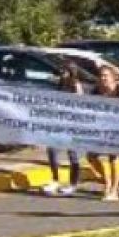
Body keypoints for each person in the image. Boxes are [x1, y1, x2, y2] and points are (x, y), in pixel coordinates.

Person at [86, 66, 119, 201]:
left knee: (114, 158)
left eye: (106, 75)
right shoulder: (96, 91)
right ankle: (107, 182)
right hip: (100, 129)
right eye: (101, 76)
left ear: (113, 77)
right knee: (91, 156)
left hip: (118, 129)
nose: (103, 78)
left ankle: (114, 191)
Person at [43, 62, 83, 196]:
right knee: (52, 151)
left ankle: (73, 184)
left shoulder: (76, 85)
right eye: (62, 71)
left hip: (73, 124)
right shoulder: (59, 84)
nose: (62, 74)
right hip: (58, 122)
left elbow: (81, 104)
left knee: (73, 155)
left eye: (65, 71)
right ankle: (55, 180)